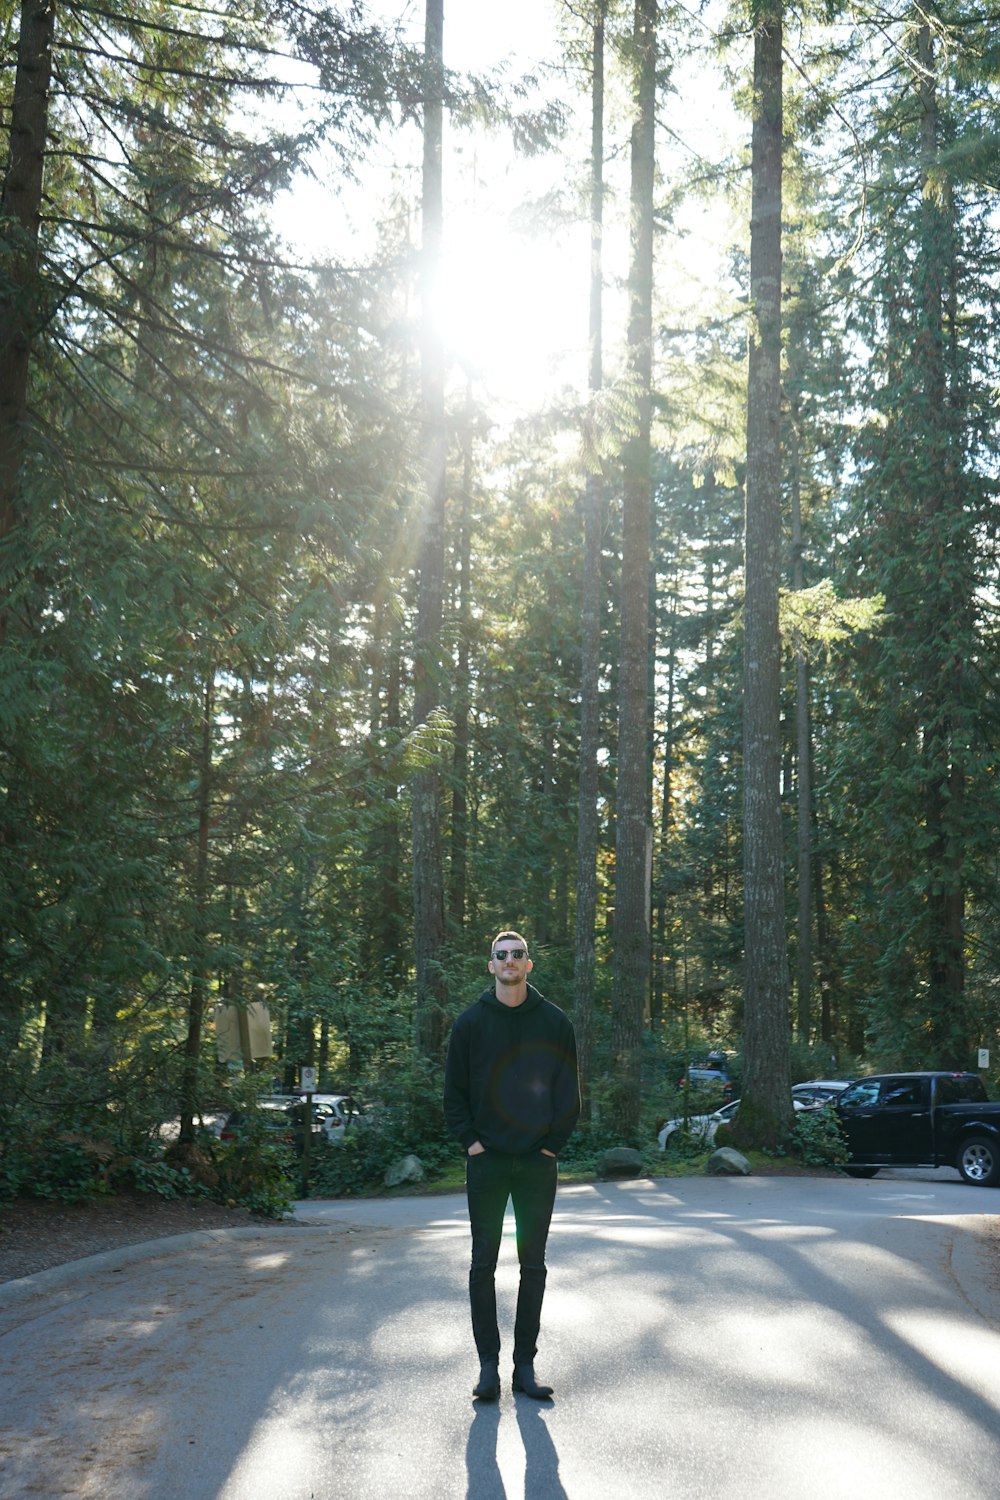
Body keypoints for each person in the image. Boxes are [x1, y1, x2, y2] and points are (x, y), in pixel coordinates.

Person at [443, 930, 580, 1402]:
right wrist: (472, 1144)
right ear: (491, 965)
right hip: (488, 1164)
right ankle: (488, 1368)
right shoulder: (470, 1024)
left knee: (533, 1266)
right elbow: (453, 1095)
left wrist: (552, 1146)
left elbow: (568, 1093)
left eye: (517, 955)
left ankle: (525, 1366)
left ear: (528, 964)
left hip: (537, 1165)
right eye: (501, 955)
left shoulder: (555, 1023)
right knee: (483, 1266)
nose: (509, 961)